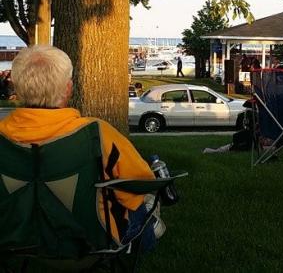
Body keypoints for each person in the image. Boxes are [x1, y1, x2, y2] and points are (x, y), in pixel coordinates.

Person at [0, 45, 162, 248]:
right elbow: (140, 180)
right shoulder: (96, 134)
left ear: (16, 88)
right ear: (68, 88)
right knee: (138, 203)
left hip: (12, 240)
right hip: (89, 243)